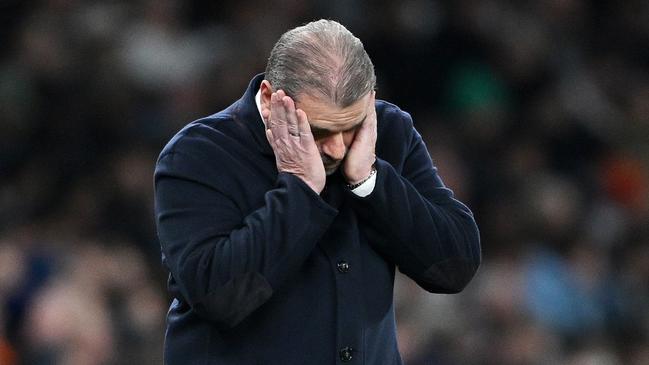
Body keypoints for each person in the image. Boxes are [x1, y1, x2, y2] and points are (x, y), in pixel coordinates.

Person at [154, 19, 481, 364]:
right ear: (268, 99)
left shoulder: (389, 132)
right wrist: (300, 189)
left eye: (351, 128)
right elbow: (220, 297)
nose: (338, 149)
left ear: (369, 102)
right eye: (320, 129)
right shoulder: (197, 154)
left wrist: (370, 181)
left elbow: (454, 266)